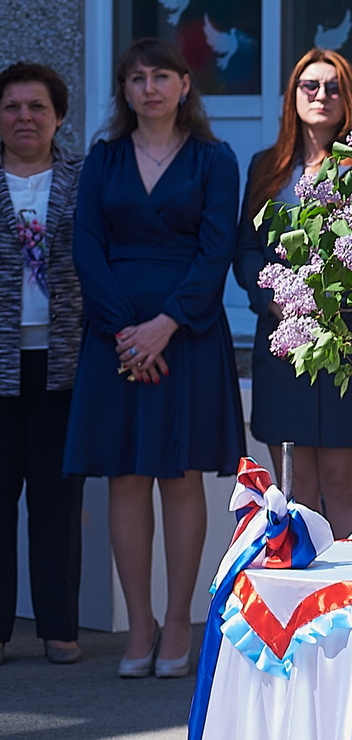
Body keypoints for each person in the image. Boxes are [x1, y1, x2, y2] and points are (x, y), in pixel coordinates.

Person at [68, 38, 247, 679]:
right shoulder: (103, 161)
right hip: (115, 337)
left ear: (184, 86)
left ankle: (178, 619)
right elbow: (87, 247)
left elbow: (217, 249)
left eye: (161, 75)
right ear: (124, 90)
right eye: (136, 78)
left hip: (187, 334)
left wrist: (164, 327)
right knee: (125, 475)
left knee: (180, 475)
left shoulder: (213, 160)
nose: (149, 87)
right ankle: (137, 623)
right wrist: (125, 333)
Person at [236, 49, 352, 539]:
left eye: (333, 86)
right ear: (293, 96)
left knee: (346, 487)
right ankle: (302, 611)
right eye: (310, 86)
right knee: (293, 489)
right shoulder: (268, 167)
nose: (321, 95)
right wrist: (275, 300)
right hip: (285, 343)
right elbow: (245, 252)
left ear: (349, 99)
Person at [0, 63, 82, 665]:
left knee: (57, 503)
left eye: (36, 106)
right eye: (11, 107)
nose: (24, 117)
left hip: (62, 364)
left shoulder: (83, 180)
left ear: (58, 116)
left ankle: (59, 627)